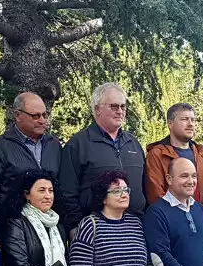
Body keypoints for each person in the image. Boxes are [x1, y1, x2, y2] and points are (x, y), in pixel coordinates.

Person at [60, 83, 147, 232]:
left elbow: (145, 186)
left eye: (123, 106)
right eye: (113, 106)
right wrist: (74, 227)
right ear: (97, 109)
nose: (120, 111)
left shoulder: (133, 144)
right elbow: (68, 191)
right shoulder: (78, 145)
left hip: (135, 229)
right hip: (96, 231)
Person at [0, 92, 64, 228]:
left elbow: (61, 188)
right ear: (17, 115)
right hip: (12, 228)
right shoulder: (0, 146)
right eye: (35, 116)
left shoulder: (54, 145)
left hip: (50, 227)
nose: (42, 120)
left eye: (45, 115)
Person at [145, 103, 203, 204]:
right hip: (170, 217)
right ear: (170, 123)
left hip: (202, 216)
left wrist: (201, 213)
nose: (191, 124)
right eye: (184, 119)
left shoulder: (201, 153)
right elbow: (156, 195)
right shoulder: (157, 154)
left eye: (193, 120)